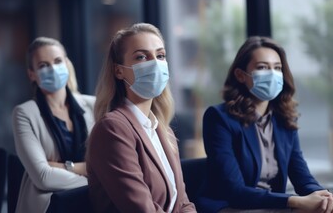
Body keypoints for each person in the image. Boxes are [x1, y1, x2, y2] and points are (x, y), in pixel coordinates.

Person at [197, 36, 333, 213]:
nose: (272, 73)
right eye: (262, 67)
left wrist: (322, 197)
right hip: (231, 207)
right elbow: (235, 191)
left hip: (272, 206)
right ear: (240, 75)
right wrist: (296, 201)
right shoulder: (219, 118)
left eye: (277, 68)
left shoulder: (284, 119)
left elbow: (302, 177)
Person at [85, 23, 197, 213]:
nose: (155, 63)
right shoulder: (112, 128)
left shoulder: (163, 130)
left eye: (160, 55)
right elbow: (142, 210)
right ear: (119, 71)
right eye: (141, 57)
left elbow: (182, 202)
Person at [12, 37, 96, 213]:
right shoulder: (24, 113)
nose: (52, 69)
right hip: (51, 204)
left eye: (58, 61)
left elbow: (108, 160)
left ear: (66, 64)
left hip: (93, 201)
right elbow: (43, 177)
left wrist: (63, 166)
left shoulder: (93, 105)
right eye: (43, 65)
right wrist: (97, 178)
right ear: (32, 74)